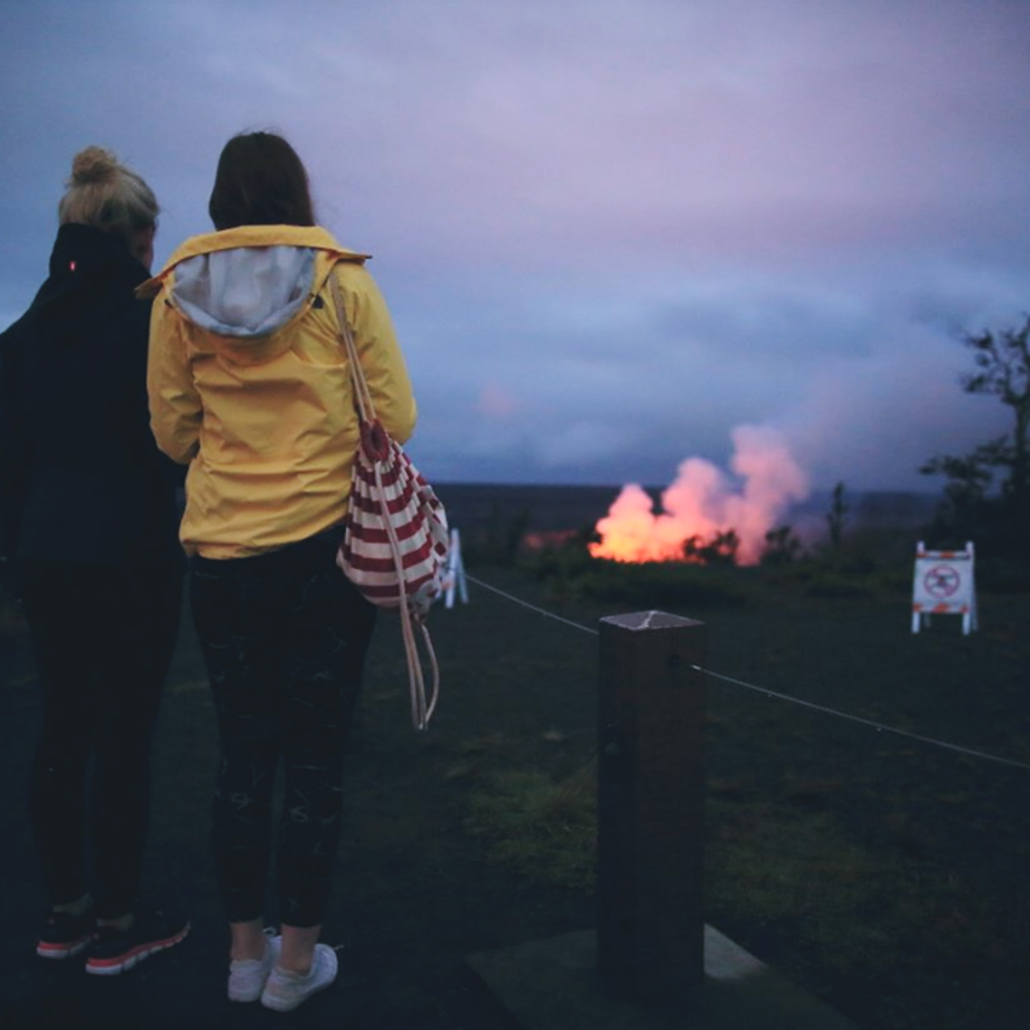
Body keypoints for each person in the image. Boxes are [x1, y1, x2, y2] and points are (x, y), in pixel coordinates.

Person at [143, 131, 417, 1012]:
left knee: (241, 754)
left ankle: (240, 956)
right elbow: (399, 418)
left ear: (222, 200)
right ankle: (296, 968)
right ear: (298, 193)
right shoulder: (343, 282)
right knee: (316, 758)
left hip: (222, 552)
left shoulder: (176, 295)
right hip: (325, 552)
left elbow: (172, 434)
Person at [0, 147, 188, 973]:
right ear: (141, 238)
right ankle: (118, 919)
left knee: (62, 725)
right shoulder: (156, 324)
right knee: (124, 735)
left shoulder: (18, 338)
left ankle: (62, 910)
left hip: (44, 551)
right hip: (134, 552)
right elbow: (173, 445)